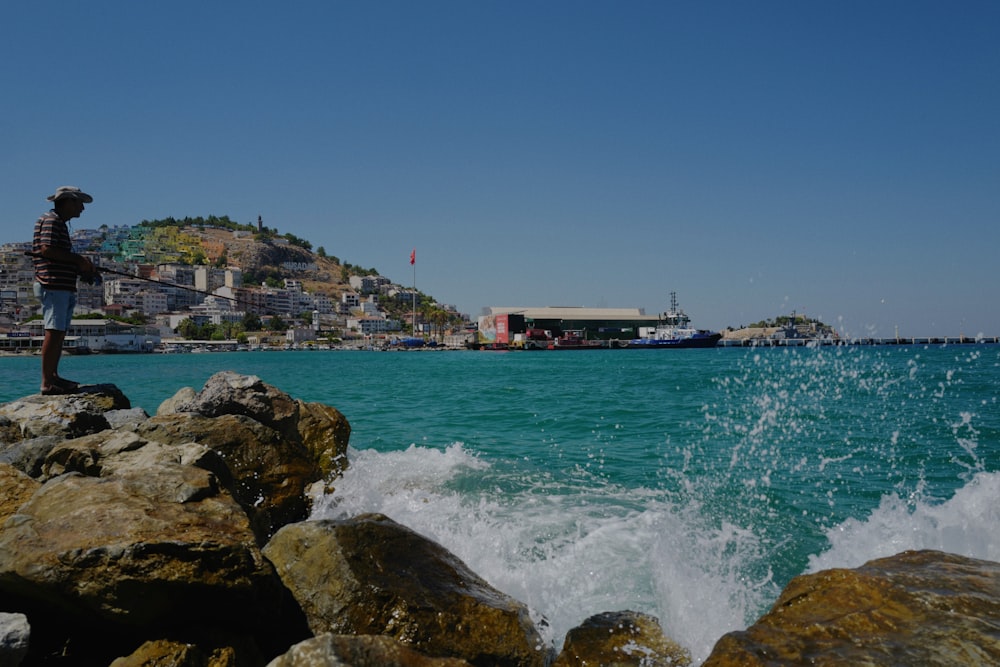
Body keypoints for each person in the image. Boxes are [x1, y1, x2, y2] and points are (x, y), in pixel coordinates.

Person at [31, 185, 98, 395]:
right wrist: (79, 260)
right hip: (53, 285)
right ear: (68, 201)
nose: (82, 209)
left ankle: (54, 377)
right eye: (79, 203)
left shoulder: (58, 221)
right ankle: (47, 382)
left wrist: (81, 267)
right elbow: (47, 249)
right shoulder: (51, 221)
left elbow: (55, 253)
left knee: (59, 333)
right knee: (54, 331)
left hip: (61, 285)